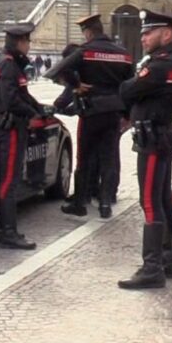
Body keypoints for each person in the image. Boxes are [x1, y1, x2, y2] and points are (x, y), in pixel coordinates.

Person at [117, 10, 172, 290]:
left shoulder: (161, 65)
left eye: (149, 32)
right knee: (162, 199)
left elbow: (128, 90)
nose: (143, 37)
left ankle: (151, 268)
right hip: (163, 134)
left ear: (166, 34)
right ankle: (169, 261)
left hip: (154, 139)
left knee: (149, 201)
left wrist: (132, 85)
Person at [47, 13, 134, 219]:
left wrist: (76, 85)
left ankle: (80, 203)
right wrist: (127, 113)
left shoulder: (86, 52)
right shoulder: (124, 54)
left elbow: (57, 70)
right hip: (113, 112)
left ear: (87, 33)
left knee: (84, 159)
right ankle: (105, 204)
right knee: (109, 159)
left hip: (91, 111)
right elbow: (130, 86)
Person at [0, 23, 51, 250]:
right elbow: (10, 100)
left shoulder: (11, 63)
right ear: (20, 42)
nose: (29, 45)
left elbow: (22, 95)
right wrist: (31, 114)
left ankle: (8, 230)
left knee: (10, 180)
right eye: (27, 41)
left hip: (14, 127)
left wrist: (40, 109)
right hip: (11, 129)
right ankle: (8, 232)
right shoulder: (8, 65)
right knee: (8, 181)